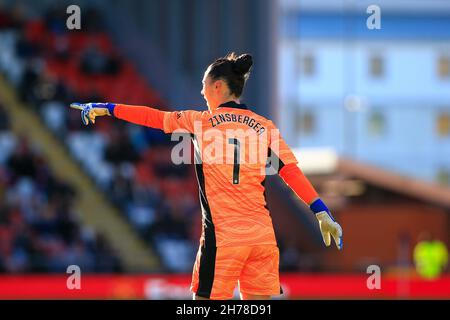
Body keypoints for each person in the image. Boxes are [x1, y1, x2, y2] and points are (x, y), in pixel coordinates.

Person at [70, 52, 343, 300]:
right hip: (261, 237)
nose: (201, 92)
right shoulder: (264, 127)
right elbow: (290, 171)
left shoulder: (200, 122)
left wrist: (106, 107)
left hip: (224, 236)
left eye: (204, 85)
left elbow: (152, 117)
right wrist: (320, 211)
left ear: (217, 86)